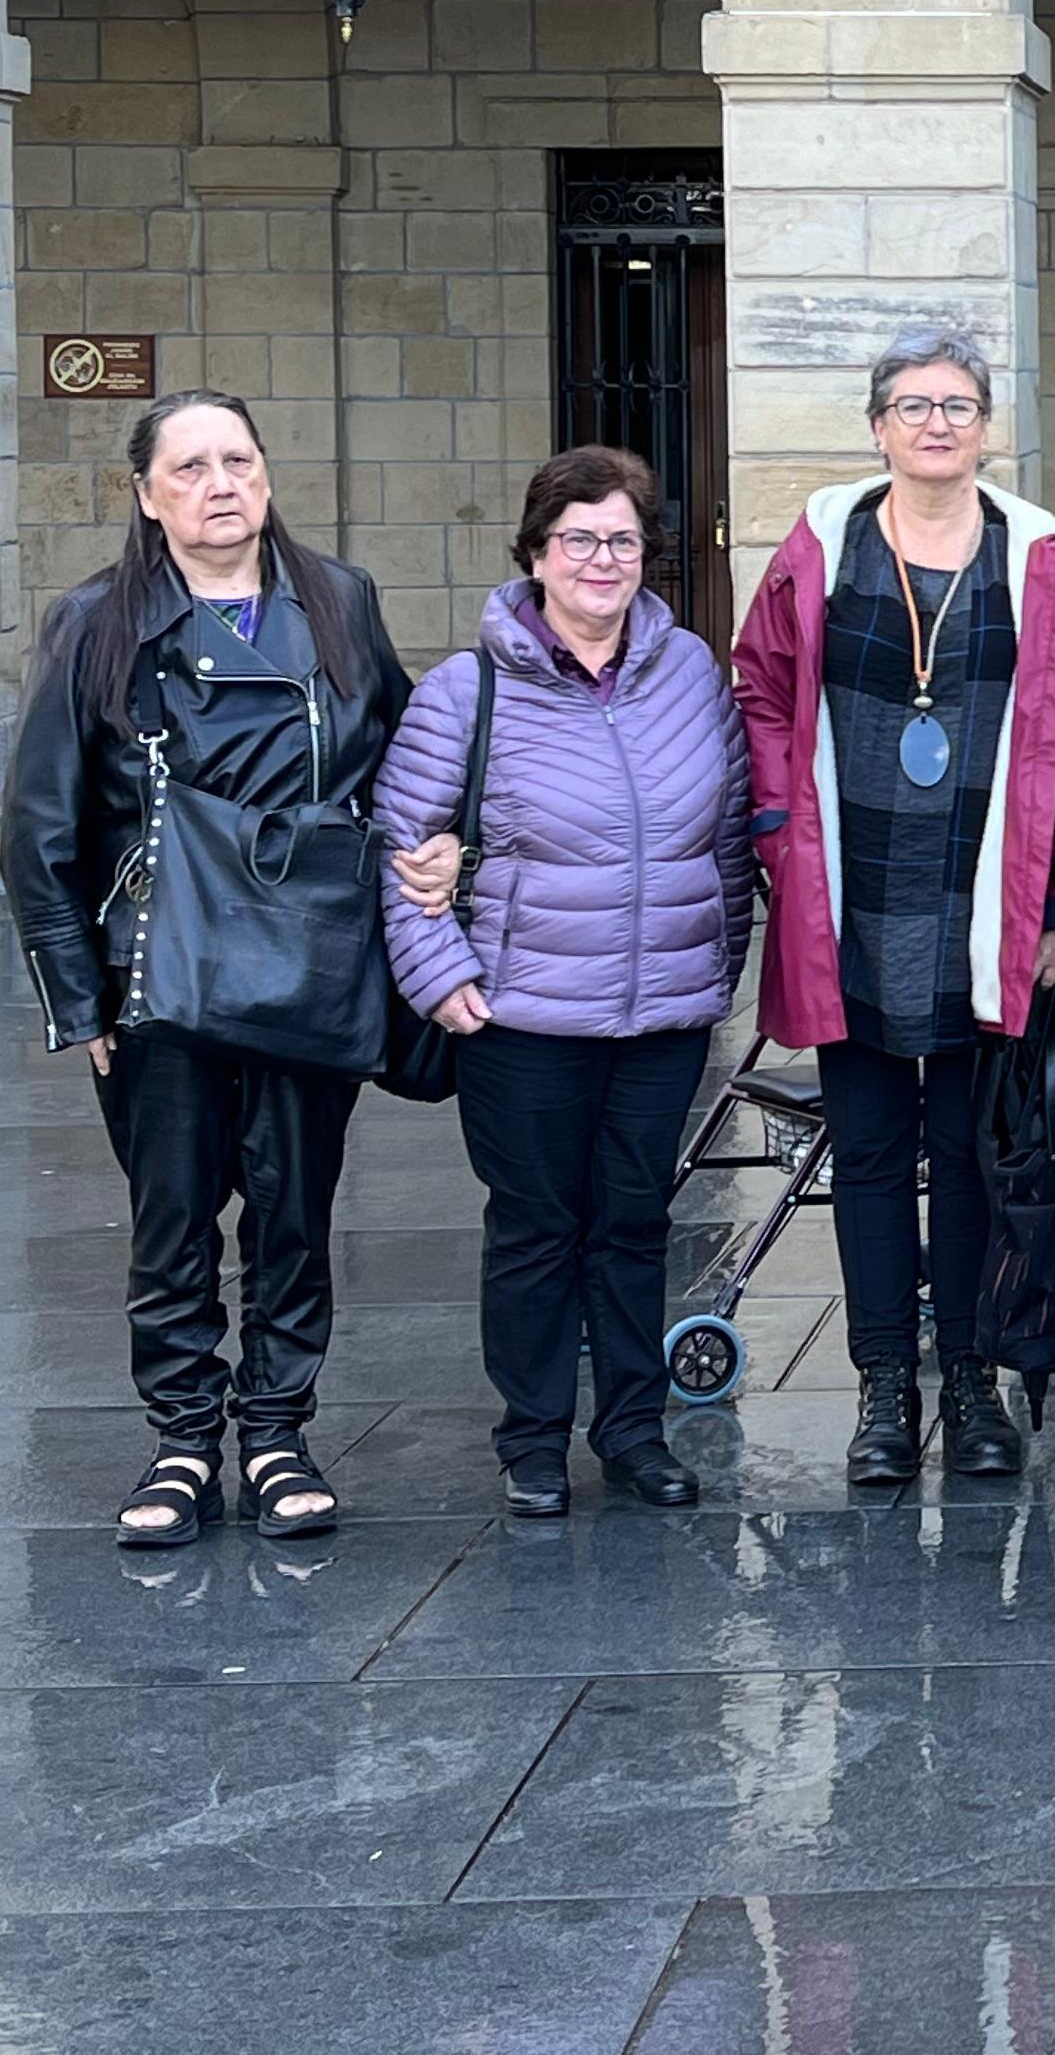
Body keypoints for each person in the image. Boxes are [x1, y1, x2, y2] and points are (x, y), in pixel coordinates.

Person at [4, 389, 411, 1549]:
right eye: (189, 468)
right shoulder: (93, 624)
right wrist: (75, 999)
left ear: (268, 476)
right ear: (147, 496)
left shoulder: (339, 601)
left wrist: (433, 851)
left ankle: (279, 1432)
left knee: (294, 1209)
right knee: (171, 1216)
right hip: (159, 967)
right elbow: (37, 827)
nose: (219, 484)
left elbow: (399, 751)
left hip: (308, 956)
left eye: (237, 459)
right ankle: (183, 1437)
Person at [736, 328, 1055, 1488]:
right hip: (857, 893)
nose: (937, 424)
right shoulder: (822, 544)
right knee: (877, 1153)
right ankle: (885, 1387)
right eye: (913, 405)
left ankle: (974, 1381)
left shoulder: (1037, 556)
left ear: (988, 424)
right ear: (877, 424)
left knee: (971, 1152)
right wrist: (784, 847)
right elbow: (762, 693)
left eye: (958, 405)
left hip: (986, 894)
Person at [371, 447, 753, 1519]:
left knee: (635, 1223)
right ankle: (532, 1438)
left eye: (622, 539)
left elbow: (727, 836)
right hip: (522, 1015)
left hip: (661, 1014)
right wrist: (440, 973)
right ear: (536, 553)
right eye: (578, 538)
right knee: (538, 1225)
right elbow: (404, 843)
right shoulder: (467, 690)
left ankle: (632, 1428)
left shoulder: (690, 675)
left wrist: (718, 963)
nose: (602, 558)